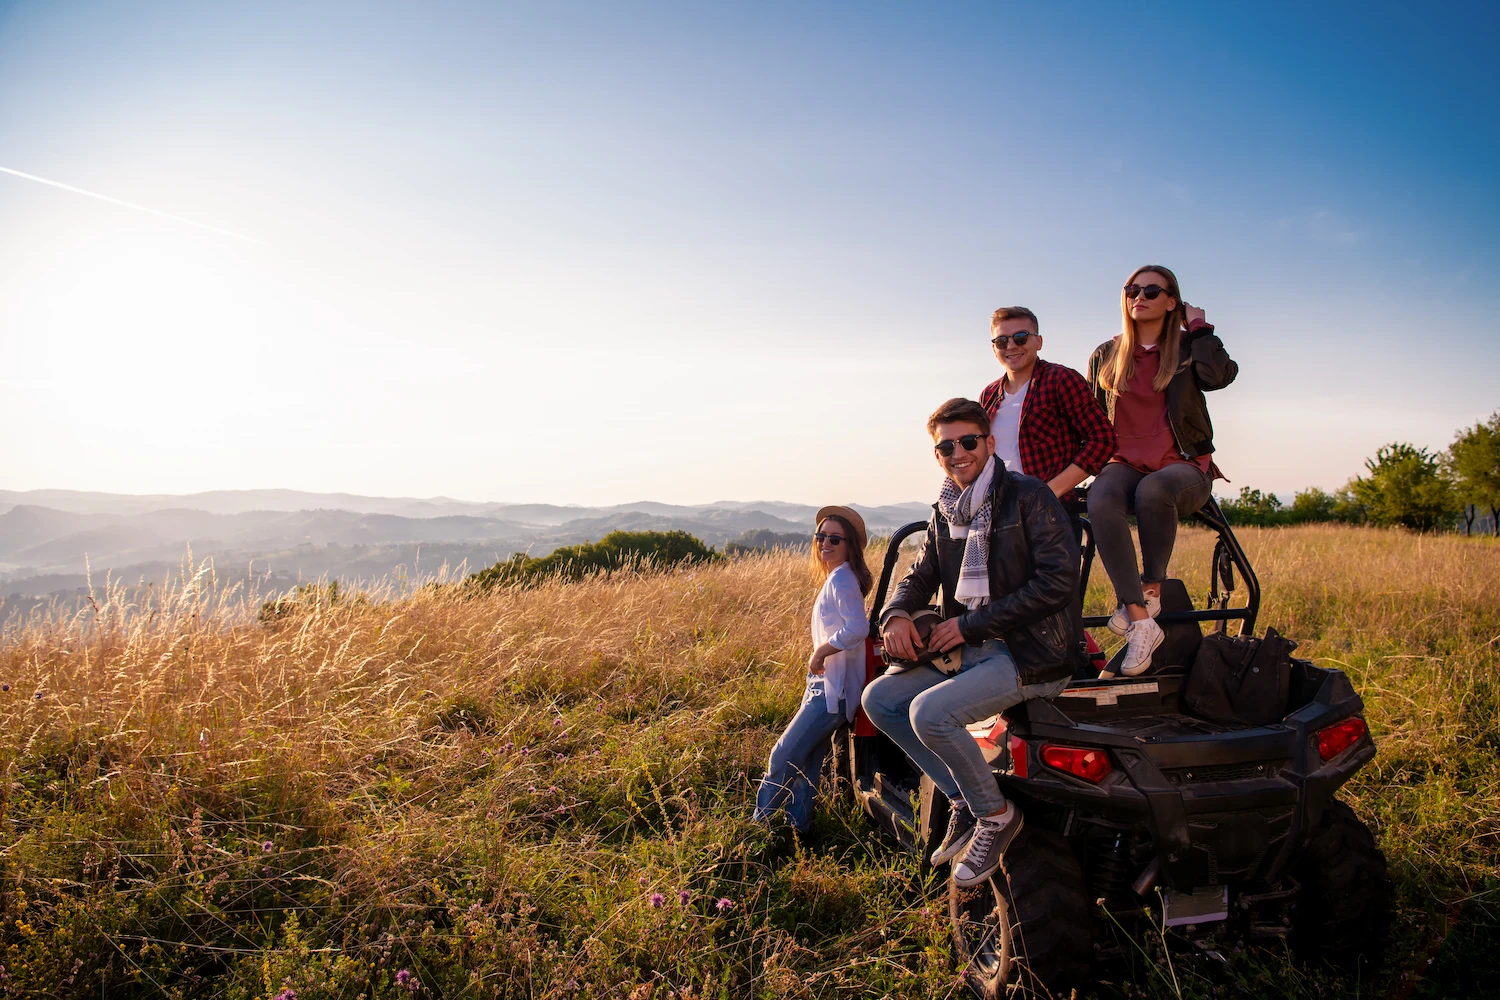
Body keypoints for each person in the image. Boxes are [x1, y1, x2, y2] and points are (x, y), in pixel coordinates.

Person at [862, 399, 1084, 888]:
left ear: (989, 442)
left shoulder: (1028, 496)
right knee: (879, 698)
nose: (957, 452)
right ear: (936, 453)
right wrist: (896, 613)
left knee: (929, 714)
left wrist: (972, 624)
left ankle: (996, 815)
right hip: (973, 649)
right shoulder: (946, 510)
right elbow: (921, 576)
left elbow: (1058, 581)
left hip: (1031, 653)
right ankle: (962, 797)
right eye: (946, 445)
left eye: (967, 441)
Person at [1086, 265, 1238, 676]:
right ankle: (1139, 615)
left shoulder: (1189, 349)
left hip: (1184, 465)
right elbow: (1091, 421)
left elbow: (1219, 376)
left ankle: (1152, 585)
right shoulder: (1107, 354)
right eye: (1133, 289)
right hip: (1124, 463)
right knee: (1100, 496)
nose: (1141, 296)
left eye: (1153, 291)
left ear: (1172, 302)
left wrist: (1201, 328)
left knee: (1154, 490)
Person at [753, 506, 872, 837]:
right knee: (806, 765)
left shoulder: (843, 578)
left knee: (784, 754)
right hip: (825, 686)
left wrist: (822, 650)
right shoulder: (837, 577)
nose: (825, 543)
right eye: (821, 536)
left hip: (831, 691)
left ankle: (755, 829)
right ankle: (798, 832)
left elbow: (857, 628)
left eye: (835, 538)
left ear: (850, 545)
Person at [978, 306, 1117, 514]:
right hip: (1000, 511)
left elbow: (1103, 439)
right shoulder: (988, 395)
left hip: (1051, 513)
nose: (1011, 346)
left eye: (1021, 337)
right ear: (994, 348)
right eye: (1002, 341)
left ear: (1039, 342)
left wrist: (1048, 492)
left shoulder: (1061, 379)